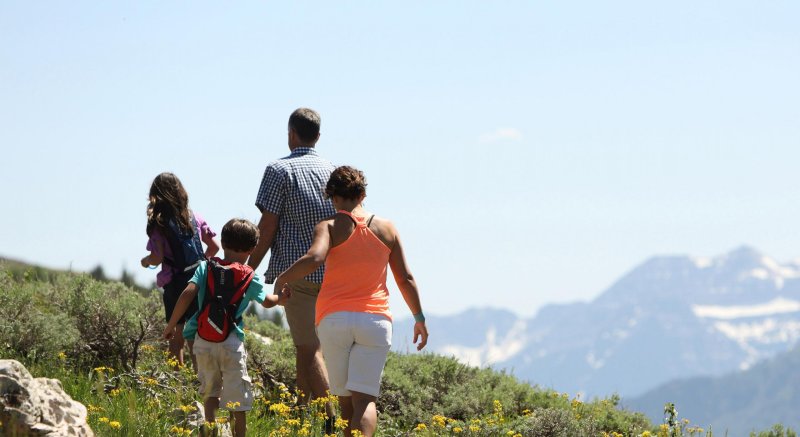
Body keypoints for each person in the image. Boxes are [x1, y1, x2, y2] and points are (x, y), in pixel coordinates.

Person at [274, 166, 429, 437]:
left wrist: (282, 278)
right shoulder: (387, 229)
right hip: (375, 320)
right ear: (363, 195)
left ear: (332, 197)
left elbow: (314, 258)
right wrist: (419, 319)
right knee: (365, 401)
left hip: (334, 320)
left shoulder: (329, 226)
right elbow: (405, 278)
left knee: (345, 402)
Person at [163, 218, 290, 437]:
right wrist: (282, 298)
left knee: (210, 393)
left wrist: (172, 325)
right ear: (252, 249)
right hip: (231, 342)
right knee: (237, 399)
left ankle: (211, 432)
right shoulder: (249, 275)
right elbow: (267, 302)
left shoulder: (205, 267)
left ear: (222, 242)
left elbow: (187, 293)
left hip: (203, 340)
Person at [247, 108, 336, 421]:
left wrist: (247, 269)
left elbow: (267, 227)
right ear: (318, 136)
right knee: (306, 346)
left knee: (310, 349)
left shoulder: (278, 170)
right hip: (333, 274)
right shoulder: (332, 170)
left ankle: (331, 419)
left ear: (291, 134)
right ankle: (300, 414)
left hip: (297, 274)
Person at [141, 172, 220, 368]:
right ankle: (200, 380)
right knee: (195, 336)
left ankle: (177, 380)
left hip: (175, 285)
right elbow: (214, 247)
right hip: (199, 283)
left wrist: (145, 261)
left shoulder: (159, 224)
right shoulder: (195, 217)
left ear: (155, 196)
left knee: (176, 338)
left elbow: (157, 257)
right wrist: (201, 266)